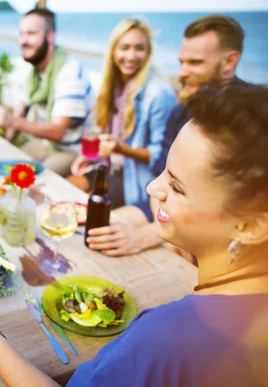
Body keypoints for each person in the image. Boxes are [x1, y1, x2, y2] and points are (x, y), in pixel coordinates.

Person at [0, 85, 268, 386]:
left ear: (253, 226)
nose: (153, 187)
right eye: (164, 171)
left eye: (177, 187)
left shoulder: (167, 338)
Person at [85, 14, 248, 259]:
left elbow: (236, 207)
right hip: (163, 208)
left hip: (207, 232)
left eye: (194, 63)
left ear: (229, 62)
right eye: (181, 62)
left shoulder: (250, 117)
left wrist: (152, 234)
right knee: (96, 233)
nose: (181, 73)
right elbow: (163, 171)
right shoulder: (187, 108)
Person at [67, 18, 176, 221]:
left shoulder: (158, 94)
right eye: (124, 47)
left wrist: (119, 149)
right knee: (66, 191)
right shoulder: (112, 85)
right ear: (114, 50)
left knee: (83, 213)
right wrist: (89, 157)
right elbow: (103, 133)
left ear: (148, 52)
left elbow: (161, 157)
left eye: (139, 48)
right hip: (109, 168)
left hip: (134, 181)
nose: (131, 56)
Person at [0, 8, 94, 177]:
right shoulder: (34, 74)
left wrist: (11, 121)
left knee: (27, 179)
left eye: (31, 33)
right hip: (44, 145)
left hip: (71, 151)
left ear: (50, 36)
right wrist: (4, 144)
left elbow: (57, 131)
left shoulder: (70, 72)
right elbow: (21, 111)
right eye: (21, 34)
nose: (22, 41)